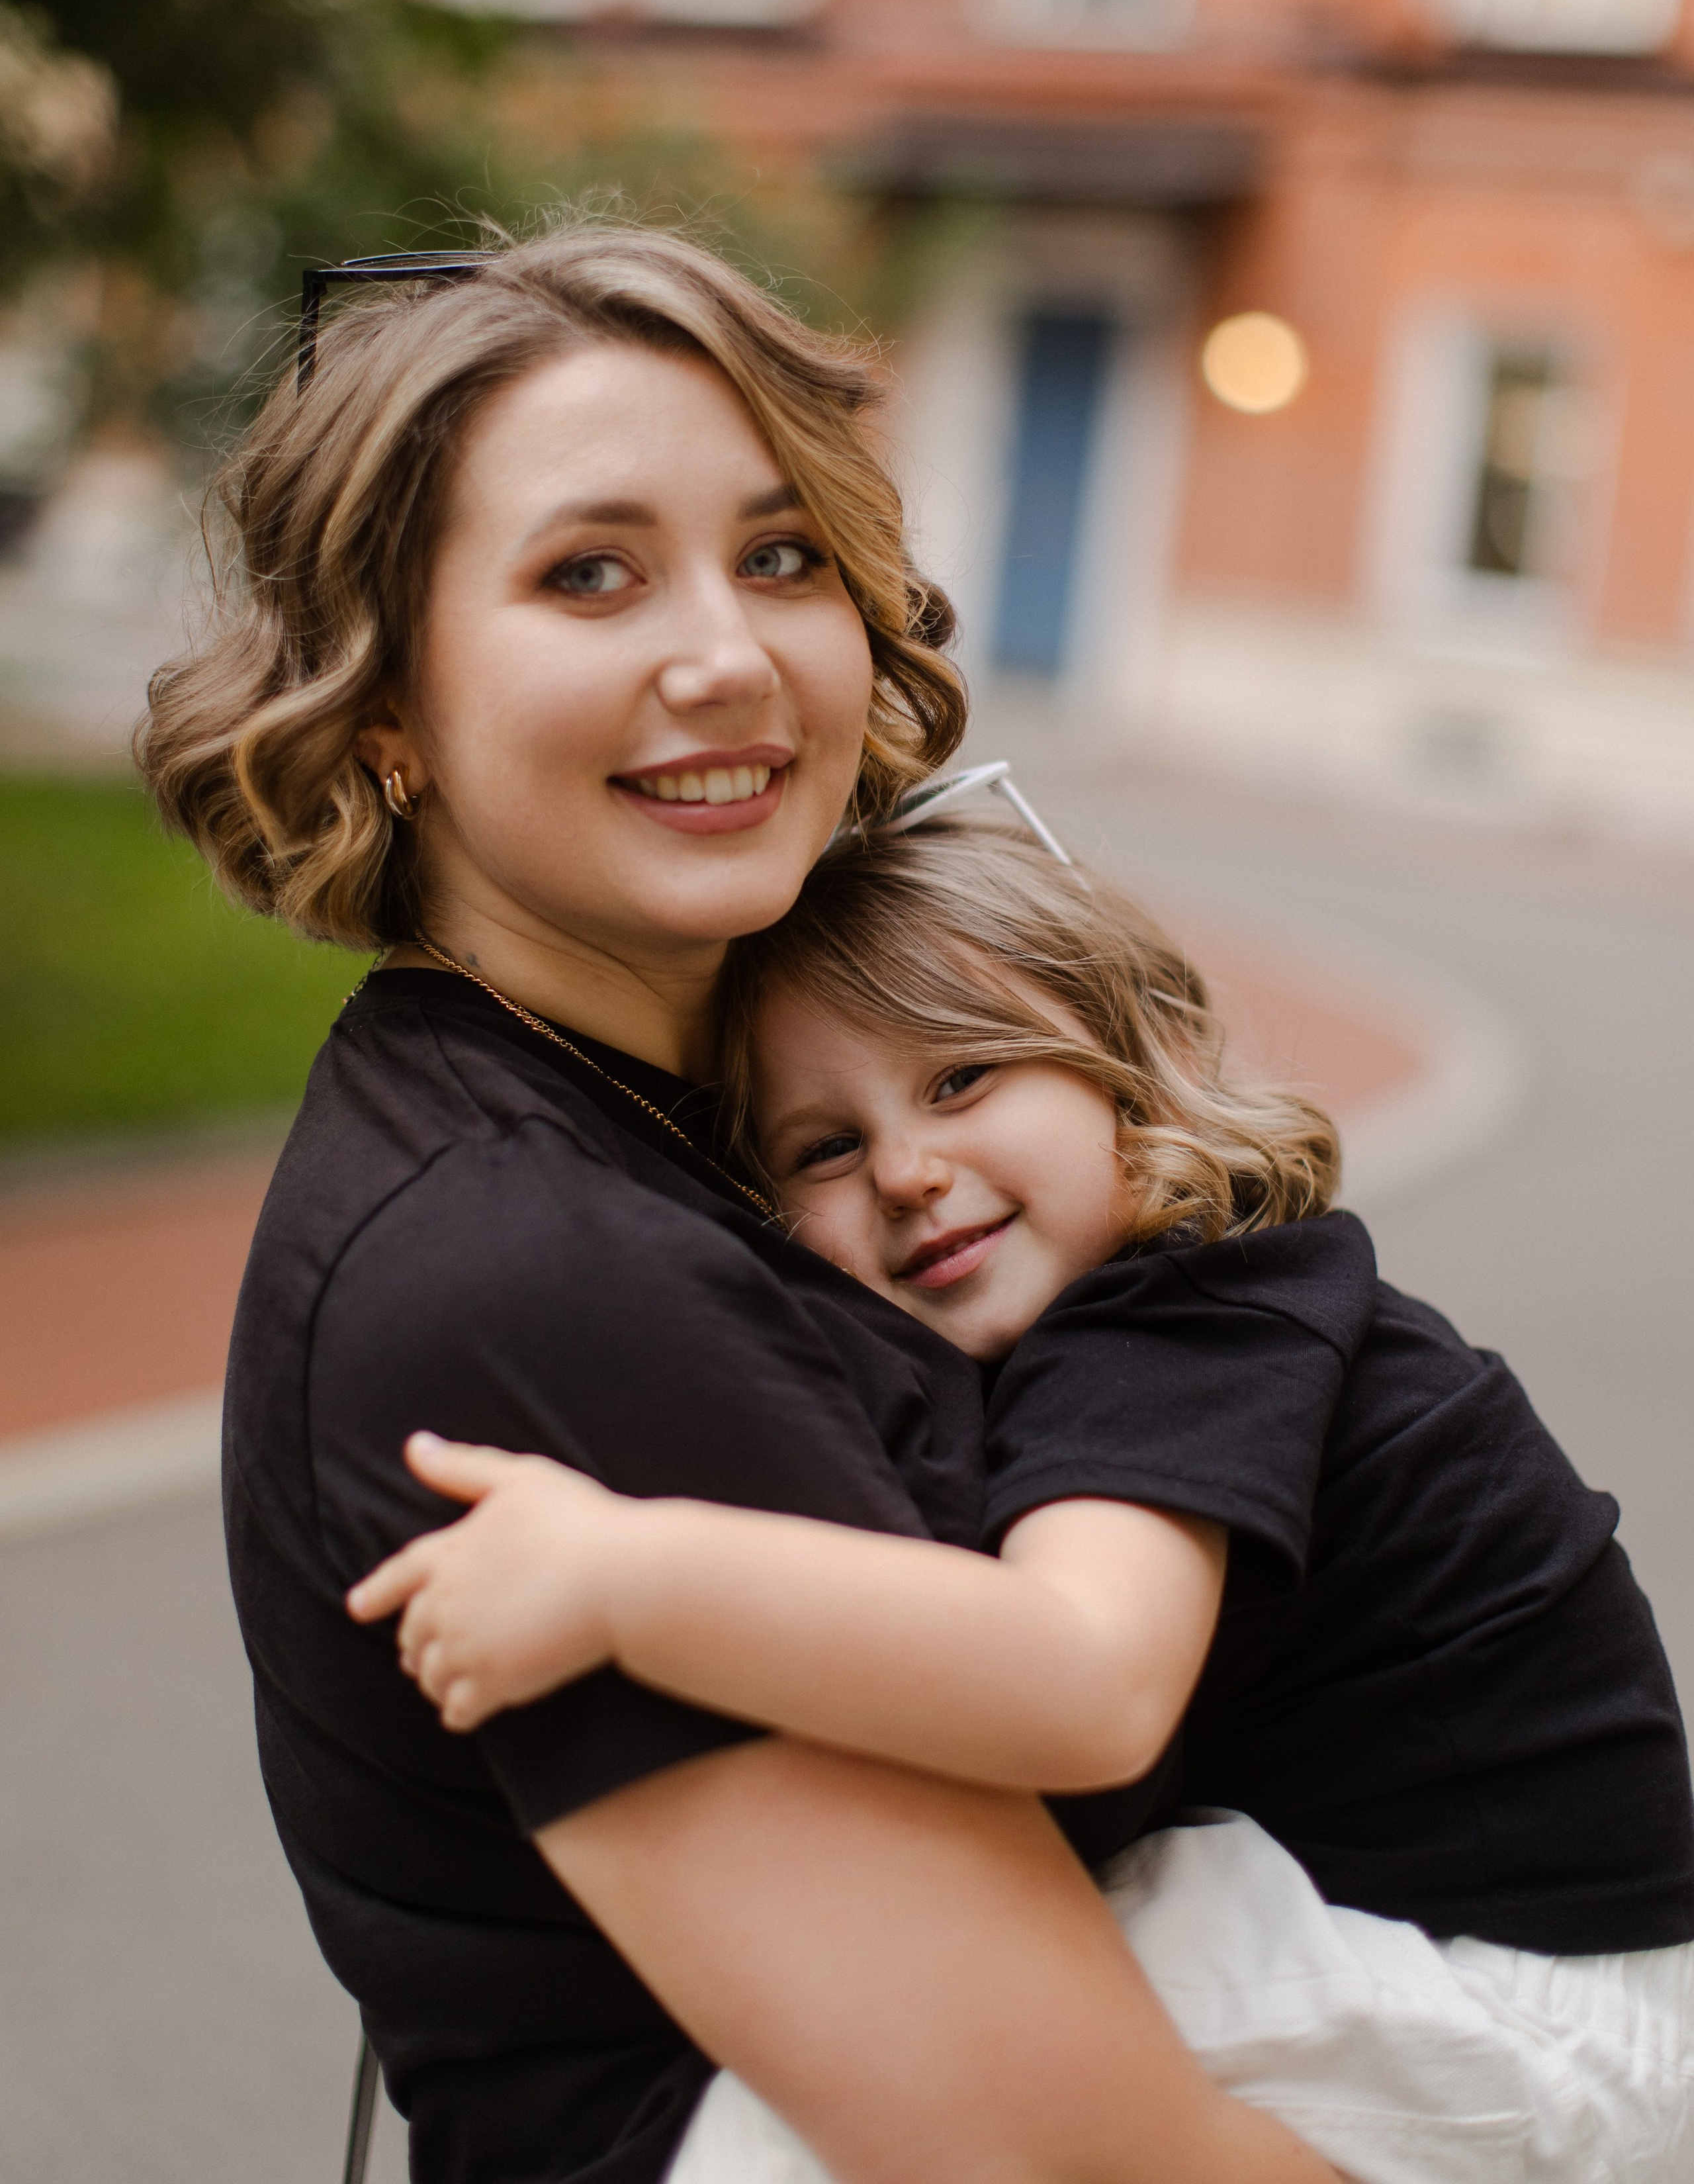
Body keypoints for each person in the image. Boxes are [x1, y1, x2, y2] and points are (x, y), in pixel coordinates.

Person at [137, 225, 1339, 2184]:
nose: (729, 656)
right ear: (383, 713)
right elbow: (1071, 2158)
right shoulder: (534, 1271)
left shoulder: (642, 1114)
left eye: (783, 556)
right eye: (588, 573)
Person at [352, 819, 1694, 2184]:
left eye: (963, 1076)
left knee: (848, 2085)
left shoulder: (1190, 1320)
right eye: (820, 1148)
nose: (904, 1169)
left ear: (1130, 1064)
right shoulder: (1114, 1330)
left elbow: (1085, 1681)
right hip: (1423, 1930)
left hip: (1522, 1994)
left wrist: (621, 1578)